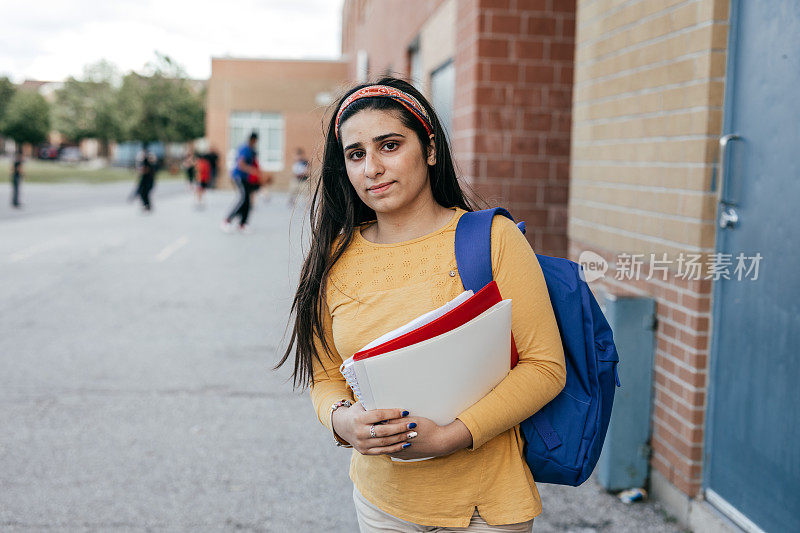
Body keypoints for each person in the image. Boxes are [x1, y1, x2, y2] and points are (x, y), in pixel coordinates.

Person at [277, 77, 566, 532]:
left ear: (429, 150)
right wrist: (342, 421)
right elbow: (325, 375)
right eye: (356, 154)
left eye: (389, 145)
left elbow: (545, 366)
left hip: (485, 507)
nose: (372, 168)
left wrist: (451, 436)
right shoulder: (330, 260)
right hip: (381, 503)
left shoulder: (492, 240)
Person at [221, 132, 263, 233]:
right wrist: (252, 170)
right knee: (243, 199)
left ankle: (242, 224)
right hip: (239, 177)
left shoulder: (251, 150)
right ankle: (227, 220)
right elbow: (241, 164)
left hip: (246, 178)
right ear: (253, 140)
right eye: (256, 141)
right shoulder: (245, 149)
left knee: (248, 202)